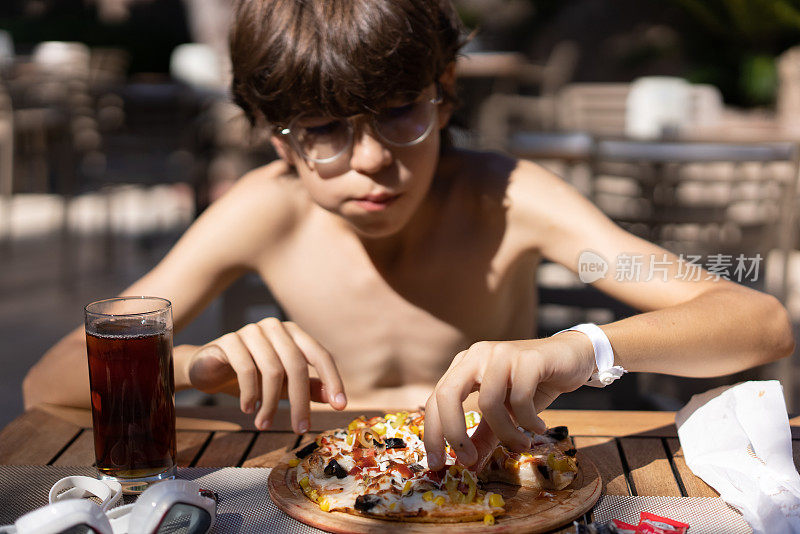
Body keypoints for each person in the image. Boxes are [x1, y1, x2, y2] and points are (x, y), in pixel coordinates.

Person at [23, 0, 794, 471]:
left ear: (446, 98)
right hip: (324, 484)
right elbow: (49, 380)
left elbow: (756, 322)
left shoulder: (510, 203)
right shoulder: (264, 211)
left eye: (400, 112)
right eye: (324, 129)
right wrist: (200, 363)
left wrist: (582, 348)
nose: (370, 161)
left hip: (488, 479)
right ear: (277, 141)